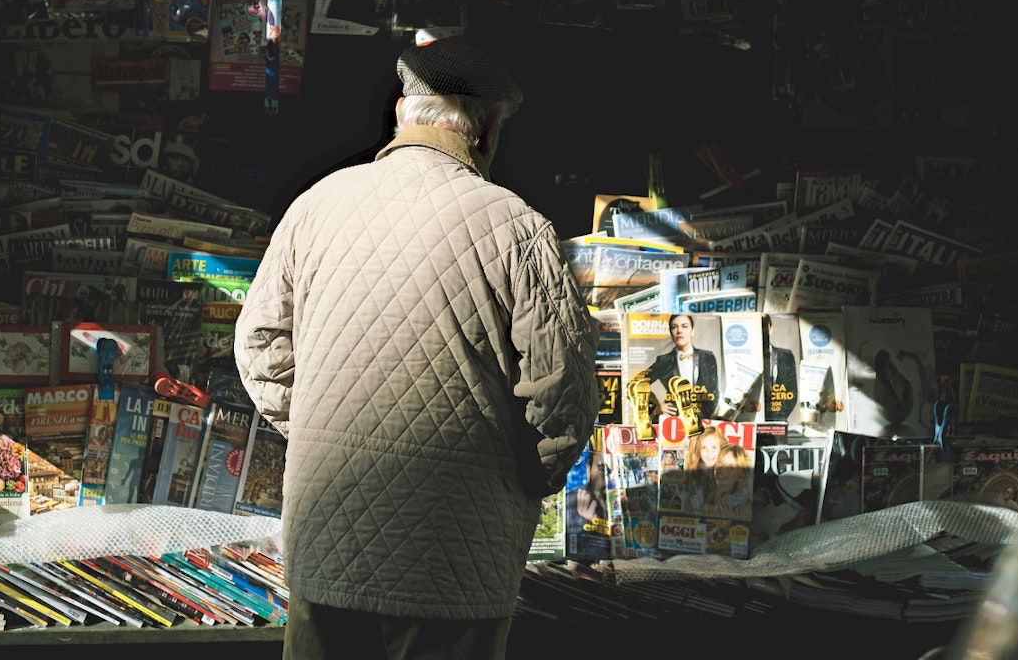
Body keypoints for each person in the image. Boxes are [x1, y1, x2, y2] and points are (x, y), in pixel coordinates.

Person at [234, 38, 599, 660]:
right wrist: (525, 478)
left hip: (327, 543)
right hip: (459, 551)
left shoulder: (314, 206)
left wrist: (323, 427)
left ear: (403, 113)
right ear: (486, 131)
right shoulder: (518, 228)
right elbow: (563, 393)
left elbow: (260, 346)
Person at [645, 314, 719, 421]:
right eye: (674, 327)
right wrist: (656, 408)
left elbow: (714, 392)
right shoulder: (664, 361)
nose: (679, 330)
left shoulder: (708, 357)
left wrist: (704, 418)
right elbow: (634, 385)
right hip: (673, 421)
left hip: (701, 420)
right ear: (671, 332)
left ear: (692, 331)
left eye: (684, 326)